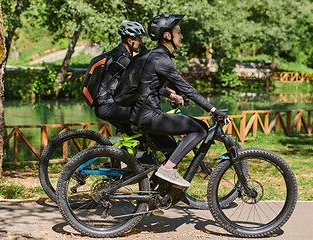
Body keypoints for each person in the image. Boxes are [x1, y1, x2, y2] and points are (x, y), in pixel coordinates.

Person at [128, 13, 230, 187]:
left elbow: (150, 86)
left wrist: (171, 95)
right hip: (149, 116)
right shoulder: (162, 60)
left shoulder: (153, 56)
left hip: (141, 115)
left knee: (171, 151)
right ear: (168, 35)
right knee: (200, 128)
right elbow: (187, 89)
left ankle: (151, 198)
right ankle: (168, 170)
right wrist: (213, 110)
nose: (181, 36)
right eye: (178, 32)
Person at [94, 20, 181, 162]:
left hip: (111, 104)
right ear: (130, 40)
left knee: (145, 114)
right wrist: (171, 94)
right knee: (148, 115)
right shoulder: (123, 59)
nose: (141, 42)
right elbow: (144, 83)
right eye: (139, 39)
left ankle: (134, 156)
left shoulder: (120, 54)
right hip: (109, 106)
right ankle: (143, 156)